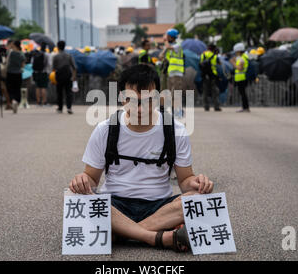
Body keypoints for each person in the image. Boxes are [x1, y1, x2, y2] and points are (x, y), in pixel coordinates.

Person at [67, 65, 214, 252]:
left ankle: (119, 233)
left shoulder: (175, 130)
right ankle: (156, 237)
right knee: (74, 196)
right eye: (132, 100)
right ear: (121, 98)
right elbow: (92, 179)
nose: (140, 108)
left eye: (147, 101)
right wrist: (81, 181)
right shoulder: (106, 129)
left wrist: (198, 183)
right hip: (114, 202)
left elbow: (185, 181)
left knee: (199, 198)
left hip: (159, 205)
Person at [159, 29, 185, 117]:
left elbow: (169, 47)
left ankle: (177, 111)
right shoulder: (169, 47)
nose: (166, 38)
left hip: (177, 73)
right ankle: (175, 110)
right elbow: (161, 56)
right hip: (171, 73)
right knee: (171, 93)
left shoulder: (178, 45)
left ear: (171, 37)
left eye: (168, 36)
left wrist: (165, 41)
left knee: (176, 92)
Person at [53, 40, 77, 114]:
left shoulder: (56, 56)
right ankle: (69, 107)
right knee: (68, 93)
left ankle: (60, 108)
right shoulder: (69, 55)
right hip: (68, 76)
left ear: (58, 46)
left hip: (59, 76)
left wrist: (53, 78)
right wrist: (73, 77)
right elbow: (74, 67)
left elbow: (53, 68)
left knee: (59, 93)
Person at [6, 40, 25, 114]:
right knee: (17, 88)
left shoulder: (10, 53)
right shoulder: (21, 54)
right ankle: (16, 101)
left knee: (9, 88)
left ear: (14, 45)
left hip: (10, 73)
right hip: (18, 73)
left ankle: (12, 99)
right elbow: (23, 65)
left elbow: (6, 61)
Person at [200, 44, 222, 112]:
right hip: (213, 75)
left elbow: (200, 64)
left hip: (205, 75)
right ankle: (216, 106)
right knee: (215, 91)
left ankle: (206, 106)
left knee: (205, 91)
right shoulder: (215, 56)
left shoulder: (203, 55)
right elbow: (220, 63)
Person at [230, 42, 250, 112]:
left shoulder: (242, 58)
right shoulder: (244, 57)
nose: (235, 53)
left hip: (242, 78)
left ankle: (245, 108)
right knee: (243, 93)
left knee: (243, 94)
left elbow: (240, 68)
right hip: (242, 78)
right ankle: (245, 107)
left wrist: (233, 63)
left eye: (236, 52)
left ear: (239, 51)